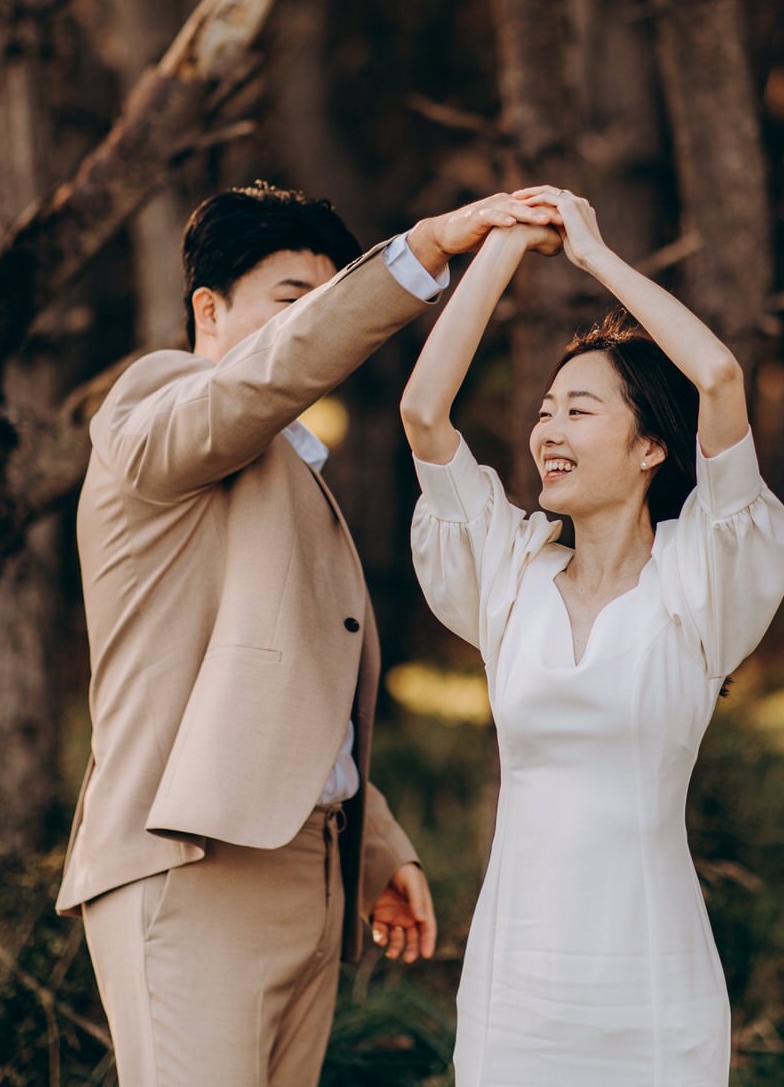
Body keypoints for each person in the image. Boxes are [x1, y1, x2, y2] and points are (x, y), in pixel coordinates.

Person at [59, 180, 559, 1087]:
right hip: (191, 862)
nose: (312, 329)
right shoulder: (156, 405)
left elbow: (292, 687)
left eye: (329, 303)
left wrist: (375, 848)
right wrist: (431, 244)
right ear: (207, 309)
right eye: (296, 304)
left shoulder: (291, 469)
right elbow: (268, 376)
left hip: (309, 869)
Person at [400, 188, 784, 1086]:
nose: (547, 430)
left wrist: (591, 252)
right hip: (517, 989)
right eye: (543, 411)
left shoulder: (700, 582)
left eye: (578, 410)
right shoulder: (509, 574)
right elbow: (425, 413)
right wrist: (501, 244)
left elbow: (721, 379)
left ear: (652, 446)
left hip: (651, 990)